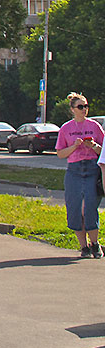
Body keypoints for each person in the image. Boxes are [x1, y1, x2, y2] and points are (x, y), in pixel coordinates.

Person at [56, 92, 103, 258]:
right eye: (81, 107)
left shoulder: (95, 126)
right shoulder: (66, 129)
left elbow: (103, 152)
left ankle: (95, 244)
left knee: (89, 208)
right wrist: (75, 146)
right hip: (74, 170)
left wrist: (94, 146)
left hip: (91, 169)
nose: (84, 109)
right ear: (73, 109)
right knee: (75, 208)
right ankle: (84, 247)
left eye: (86, 106)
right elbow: (61, 153)